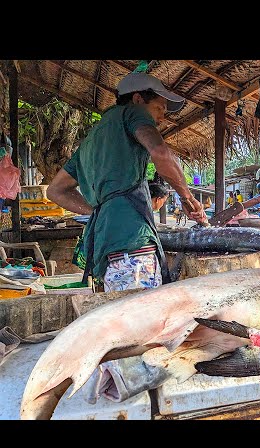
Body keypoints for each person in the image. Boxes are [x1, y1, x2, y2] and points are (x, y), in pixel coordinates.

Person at [46, 71, 207, 292]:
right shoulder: (132, 113)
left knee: (123, 317)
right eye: (159, 108)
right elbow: (160, 153)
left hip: (107, 247)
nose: (161, 118)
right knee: (144, 321)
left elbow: (55, 190)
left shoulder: (92, 139)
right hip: (133, 246)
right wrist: (188, 199)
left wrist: (99, 211)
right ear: (138, 99)